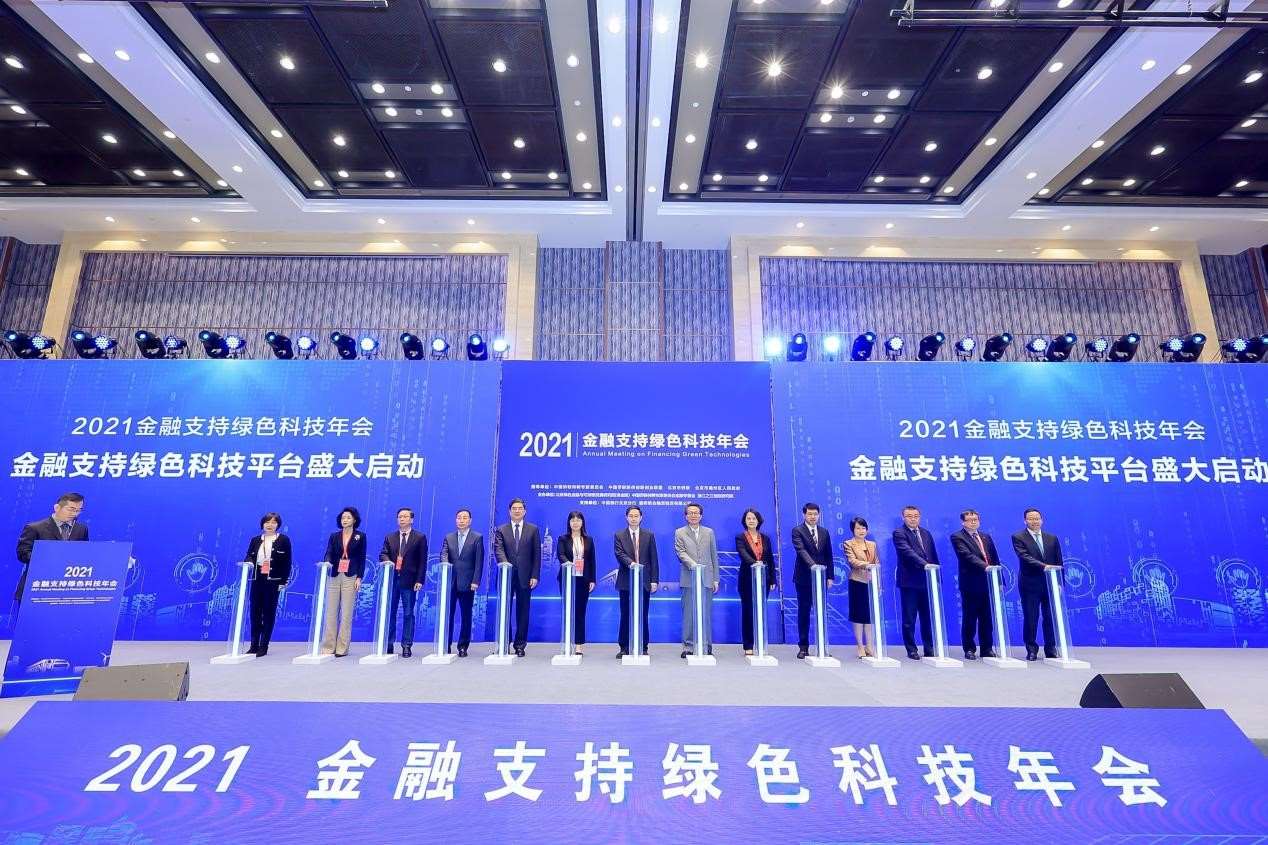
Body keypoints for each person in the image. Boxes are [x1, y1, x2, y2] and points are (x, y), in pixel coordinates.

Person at [14, 492, 89, 606]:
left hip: (66, 589)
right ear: (57, 507)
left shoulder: (81, 529)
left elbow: (84, 553)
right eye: (71, 509)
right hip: (37, 585)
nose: (75, 514)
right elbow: (23, 554)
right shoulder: (35, 528)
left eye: (78, 510)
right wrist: (47, 558)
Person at [1011, 508, 1063, 661]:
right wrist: (1044, 566)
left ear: (1042, 520)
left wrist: (1060, 582)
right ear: (1025, 521)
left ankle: (1051, 649)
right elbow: (1024, 556)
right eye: (1031, 519)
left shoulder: (1051, 538)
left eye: (1037, 518)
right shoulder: (1018, 537)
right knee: (1031, 617)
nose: (1034, 521)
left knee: (1050, 617)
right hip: (1030, 583)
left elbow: (1059, 561)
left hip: (1050, 583)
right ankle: (1031, 649)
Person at [950, 509, 1000, 661]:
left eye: (975, 520)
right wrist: (985, 566)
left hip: (988, 582)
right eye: (970, 520)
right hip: (970, 583)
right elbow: (966, 556)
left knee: (987, 618)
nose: (973, 522)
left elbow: (994, 558)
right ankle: (969, 648)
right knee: (970, 617)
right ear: (963, 522)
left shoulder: (985, 536)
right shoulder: (957, 537)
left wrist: (999, 580)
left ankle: (987, 648)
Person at [492, 498, 541, 657]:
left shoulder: (533, 529)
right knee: (504, 611)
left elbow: (537, 555)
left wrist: (535, 575)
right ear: (509, 511)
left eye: (520, 508)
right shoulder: (501, 529)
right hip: (506, 576)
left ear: (524, 511)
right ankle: (504, 643)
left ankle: (520, 645)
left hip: (525, 577)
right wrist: (505, 564)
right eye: (514, 508)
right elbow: (498, 550)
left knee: (523, 612)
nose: (517, 511)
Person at [379, 507, 428, 658]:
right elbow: (383, 554)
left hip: (410, 581)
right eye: (400, 516)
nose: (402, 519)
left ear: (411, 519)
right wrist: (387, 561)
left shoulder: (419, 537)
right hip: (392, 580)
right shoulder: (390, 537)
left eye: (405, 516)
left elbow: (422, 561)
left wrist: (419, 579)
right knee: (390, 612)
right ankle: (388, 644)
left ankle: (406, 645)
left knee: (408, 613)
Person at [891, 505, 938, 660]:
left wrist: (936, 577)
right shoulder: (899, 533)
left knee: (927, 617)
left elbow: (933, 555)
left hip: (927, 581)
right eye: (909, 516)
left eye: (916, 516)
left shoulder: (926, 533)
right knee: (909, 618)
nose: (913, 519)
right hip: (909, 581)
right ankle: (911, 649)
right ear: (903, 517)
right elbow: (907, 552)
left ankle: (929, 648)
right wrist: (925, 564)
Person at [674, 502, 719, 659]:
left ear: (701, 515)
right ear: (686, 516)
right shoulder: (680, 532)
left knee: (705, 614)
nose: (693, 515)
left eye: (696, 513)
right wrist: (693, 565)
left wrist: (716, 579)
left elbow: (714, 556)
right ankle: (688, 646)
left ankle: (706, 645)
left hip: (707, 578)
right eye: (690, 513)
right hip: (689, 577)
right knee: (689, 614)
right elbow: (680, 552)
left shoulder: (709, 532)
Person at [790, 502, 834, 659]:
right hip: (804, 578)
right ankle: (803, 647)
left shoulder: (824, 532)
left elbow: (828, 555)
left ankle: (822, 646)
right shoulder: (797, 531)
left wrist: (830, 576)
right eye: (809, 514)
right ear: (804, 515)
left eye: (815, 514)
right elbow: (801, 550)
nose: (812, 517)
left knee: (821, 612)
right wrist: (813, 566)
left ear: (819, 515)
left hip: (821, 578)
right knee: (804, 612)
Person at [244, 512, 291, 657]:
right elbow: (249, 555)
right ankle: (254, 645)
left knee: (269, 612)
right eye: (267, 522)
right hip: (257, 578)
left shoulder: (283, 540)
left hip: (273, 579)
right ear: (262, 524)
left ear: (278, 525)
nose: (270, 525)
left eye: (273, 522)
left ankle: (264, 646)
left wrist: (284, 580)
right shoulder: (255, 540)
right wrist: (248, 562)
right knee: (255, 612)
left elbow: (287, 561)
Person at [614, 505, 659, 659]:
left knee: (643, 614)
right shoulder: (619, 535)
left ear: (641, 518)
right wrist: (632, 564)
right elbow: (619, 554)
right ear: (626, 518)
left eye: (636, 516)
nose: (633, 518)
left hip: (644, 581)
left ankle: (643, 646)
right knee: (625, 614)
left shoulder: (649, 535)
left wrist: (654, 580)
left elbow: (654, 559)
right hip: (626, 581)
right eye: (631, 516)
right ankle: (624, 647)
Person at [321, 507, 366, 658]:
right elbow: (328, 552)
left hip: (351, 575)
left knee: (346, 613)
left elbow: (362, 558)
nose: (345, 520)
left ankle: (342, 648)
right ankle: (328, 647)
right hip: (334, 574)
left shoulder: (360, 536)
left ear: (354, 520)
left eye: (348, 517)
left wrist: (359, 577)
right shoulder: (334, 536)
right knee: (331, 612)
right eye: (343, 518)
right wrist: (327, 562)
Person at [441, 508, 484, 658]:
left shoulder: (477, 537)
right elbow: (444, 554)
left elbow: (479, 562)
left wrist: (475, 581)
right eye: (459, 517)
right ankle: (445, 645)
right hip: (450, 583)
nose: (462, 520)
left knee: (466, 616)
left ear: (470, 521)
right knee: (448, 615)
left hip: (468, 583)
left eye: (465, 518)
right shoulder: (449, 537)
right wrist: (445, 563)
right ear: (455, 520)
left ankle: (463, 646)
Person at [735, 508, 776, 656]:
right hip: (747, 579)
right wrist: (755, 563)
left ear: (758, 521)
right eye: (748, 518)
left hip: (764, 580)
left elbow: (770, 559)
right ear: (745, 521)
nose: (751, 521)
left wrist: (772, 578)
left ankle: (761, 643)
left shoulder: (765, 538)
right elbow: (743, 554)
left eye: (754, 518)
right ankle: (748, 645)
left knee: (761, 611)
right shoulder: (740, 537)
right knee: (748, 612)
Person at [556, 511, 596, 655]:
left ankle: (578, 645)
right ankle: (567, 643)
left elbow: (592, 561)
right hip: (567, 578)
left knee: (580, 612)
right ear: (569, 523)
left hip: (583, 580)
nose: (575, 522)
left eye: (578, 520)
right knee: (568, 611)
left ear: (582, 522)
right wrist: (569, 564)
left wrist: (592, 579)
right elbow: (560, 554)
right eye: (572, 520)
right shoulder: (563, 539)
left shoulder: (589, 540)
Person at [842, 517, 877, 660]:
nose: (861, 531)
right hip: (857, 581)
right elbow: (852, 561)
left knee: (869, 616)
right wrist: (867, 565)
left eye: (863, 528)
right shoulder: (848, 543)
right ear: (853, 530)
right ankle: (860, 645)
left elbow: (876, 562)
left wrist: (877, 583)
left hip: (870, 582)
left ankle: (870, 645)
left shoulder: (872, 544)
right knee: (858, 615)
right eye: (858, 528)